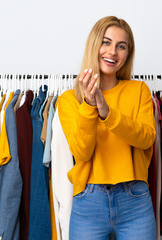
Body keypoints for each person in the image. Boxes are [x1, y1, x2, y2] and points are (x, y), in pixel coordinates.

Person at [57, 16, 156, 240]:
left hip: (135, 202)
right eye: (106, 42)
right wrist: (90, 106)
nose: (113, 52)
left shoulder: (139, 90)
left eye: (121, 46)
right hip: (89, 204)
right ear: (94, 45)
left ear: (127, 55)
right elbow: (82, 151)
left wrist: (107, 112)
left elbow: (146, 138)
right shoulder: (69, 100)